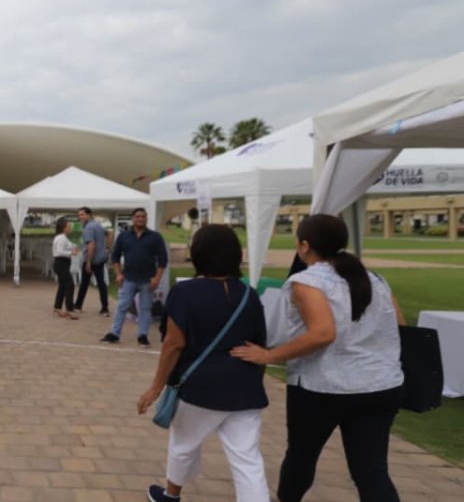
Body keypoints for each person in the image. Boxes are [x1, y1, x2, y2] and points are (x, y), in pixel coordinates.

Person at [231, 214, 405, 502]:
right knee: (371, 471)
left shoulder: (307, 282)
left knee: (302, 455)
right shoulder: (375, 279)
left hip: (322, 386)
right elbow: (399, 325)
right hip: (379, 384)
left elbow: (322, 333)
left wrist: (268, 355)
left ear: (304, 246)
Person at [137, 225, 270, 502]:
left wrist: (155, 388)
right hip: (245, 388)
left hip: (200, 388)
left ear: (198, 254)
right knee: (248, 460)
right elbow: (260, 347)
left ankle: (171, 495)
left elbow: (174, 343)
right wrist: (252, 382)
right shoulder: (250, 295)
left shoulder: (185, 292)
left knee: (184, 445)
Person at [102, 207, 168, 347]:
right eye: (137, 216)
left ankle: (143, 336)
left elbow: (163, 260)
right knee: (122, 306)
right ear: (133, 219)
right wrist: (118, 274)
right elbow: (115, 257)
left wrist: (157, 278)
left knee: (145, 309)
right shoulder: (124, 236)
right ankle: (115, 334)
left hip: (147, 280)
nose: (140, 219)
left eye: (143, 216)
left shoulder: (155, 237)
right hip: (128, 279)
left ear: (146, 219)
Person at [75, 207, 109, 315]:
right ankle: (105, 308)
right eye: (79, 215)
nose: (80, 217)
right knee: (101, 283)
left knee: (84, 284)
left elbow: (91, 245)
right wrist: (107, 249)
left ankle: (78, 306)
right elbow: (109, 233)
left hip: (91, 259)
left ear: (89, 215)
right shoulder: (98, 225)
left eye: (82, 214)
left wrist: (88, 262)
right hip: (100, 259)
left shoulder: (89, 227)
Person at [51, 217, 80, 319]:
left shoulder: (62, 237)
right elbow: (59, 251)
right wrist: (71, 253)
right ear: (64, 228)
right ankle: (69, 309)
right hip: (61, 263)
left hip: (61, 264)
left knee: (63, 286)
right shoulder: (61, 238)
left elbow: (69, 245)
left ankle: (57, 307)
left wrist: (74, 246)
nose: (71, 228)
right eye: (69, 226)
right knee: (69, 285)